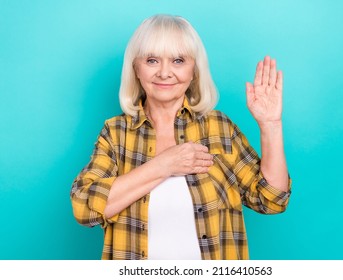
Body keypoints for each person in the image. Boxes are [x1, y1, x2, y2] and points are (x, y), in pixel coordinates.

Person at [70, 14, 291, 260]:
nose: (165, 73)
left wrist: (271, 125)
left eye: (178, 60)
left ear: (194, 70)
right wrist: (164, 165)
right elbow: (84, 207)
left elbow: (272, 199)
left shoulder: (219, 128)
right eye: (152, 60)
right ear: (136, 68)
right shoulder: (116, 132)